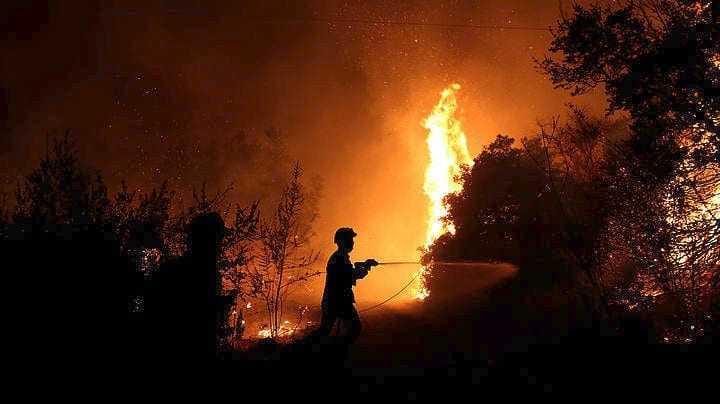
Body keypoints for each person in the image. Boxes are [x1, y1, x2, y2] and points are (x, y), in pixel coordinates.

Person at [314, 227, 377, 345]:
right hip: (337, 301)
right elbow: (351, 276)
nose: (352, 242)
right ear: (341, 241)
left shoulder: (341, 257)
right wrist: (366, 267)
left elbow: (350, 275)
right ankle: (336, 352)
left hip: (335, 301)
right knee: (354, 328)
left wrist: (363, 266)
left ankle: (320, 351)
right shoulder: (339, 259)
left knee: (326, 331)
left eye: (352, 240)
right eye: (349, 239)